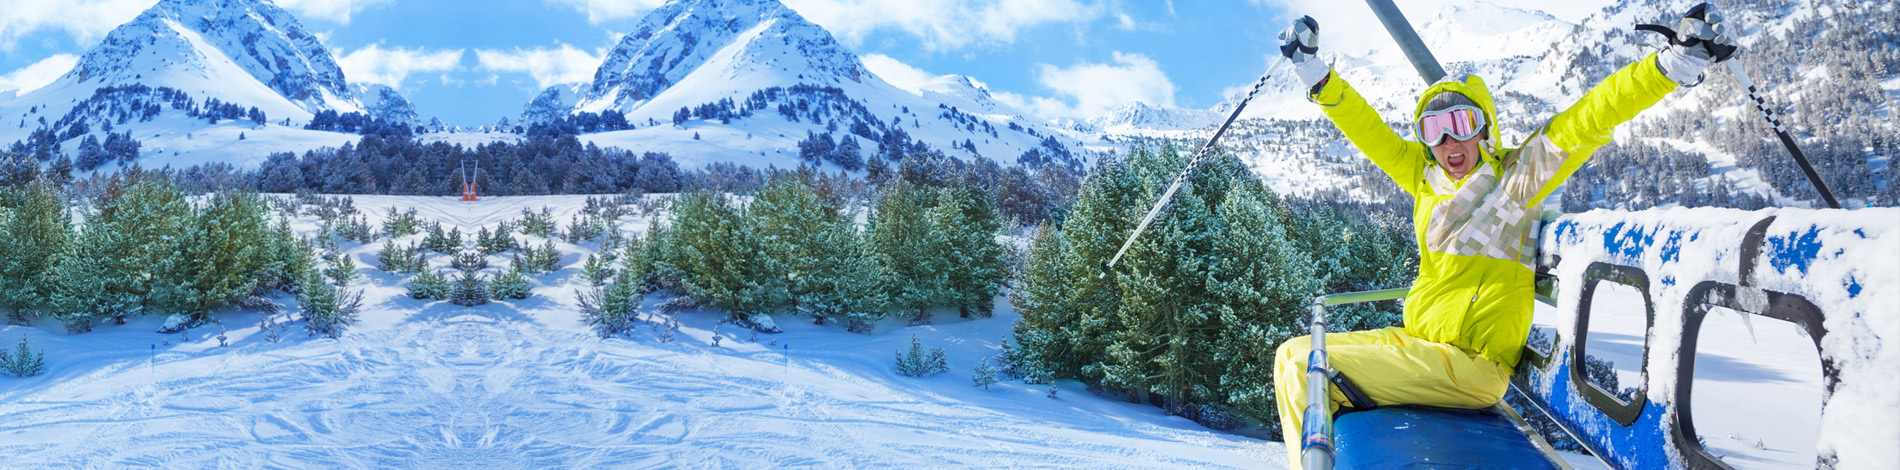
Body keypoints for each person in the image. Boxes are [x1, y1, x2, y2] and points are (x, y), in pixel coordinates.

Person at [1267, 4, 1736, 465]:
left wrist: (1669, 67)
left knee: (1309, 374)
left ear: (1484, 128)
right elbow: (1365, 127)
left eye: (1461, 125)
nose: (1450, 144)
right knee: (1293, 355)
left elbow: (1591, 115)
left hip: (1470, 366)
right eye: (1434, 130)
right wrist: (1314, 73)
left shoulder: (1518, 179)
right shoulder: (1421, 175)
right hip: (1418, 344)